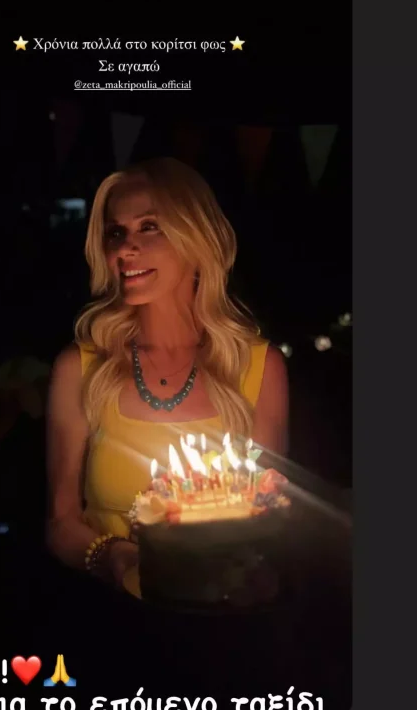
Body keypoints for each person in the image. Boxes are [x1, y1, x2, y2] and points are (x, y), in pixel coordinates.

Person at [46, 157, 289, 595]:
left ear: (197, 236)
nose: (125, 248)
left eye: (149, 227)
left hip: (219, 613)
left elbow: (266, 516)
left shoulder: (258, 368)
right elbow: (61, 522)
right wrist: (115, 558)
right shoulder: (82, 368)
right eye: (115, 233)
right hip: (108, 611)